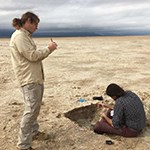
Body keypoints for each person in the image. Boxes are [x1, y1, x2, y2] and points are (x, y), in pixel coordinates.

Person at [10, 12, 57, 150]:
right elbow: (32, 56)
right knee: (30, 111)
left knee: (34, 108)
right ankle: (23, 145)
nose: (37, 27)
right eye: (35, 24)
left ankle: (34, 132)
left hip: (33, 78)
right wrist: (49, 49)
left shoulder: (25, 36)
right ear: (28, 21)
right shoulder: (20, 36)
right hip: (29, 79)